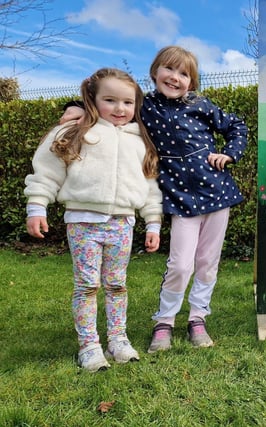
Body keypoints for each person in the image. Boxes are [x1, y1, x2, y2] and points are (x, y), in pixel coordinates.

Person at [60, 46, 249, 353]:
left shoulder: (200, 104)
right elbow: (108, 102)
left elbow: (237, 126)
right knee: (179, 264)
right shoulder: (144, 106)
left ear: (192, 81)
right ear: (154, 72)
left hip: (217, 192)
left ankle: (198, 317)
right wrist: (78, 109)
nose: (175, 77)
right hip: (179, 196)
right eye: (169, 70)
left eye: (184, 73)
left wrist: (229, 153)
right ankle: (165, 320)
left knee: (207, 263)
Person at [25, 68, 163, 372]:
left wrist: (153, 222)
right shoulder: (75, 131)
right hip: (83, 223)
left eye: (128, 103)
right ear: (92, 99)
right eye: (110, 100)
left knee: (117, 285)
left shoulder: (139, 140)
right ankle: (89, 345)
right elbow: (47, 172)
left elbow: (149, 185)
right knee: (87, 285)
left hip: (122, 223)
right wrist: (37, 206)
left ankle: (118, 339)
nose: (119, 108)